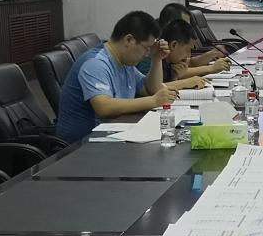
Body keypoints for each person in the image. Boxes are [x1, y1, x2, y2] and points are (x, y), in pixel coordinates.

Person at [56, 11, 177, 143]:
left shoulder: (125, 63)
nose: (147, 54)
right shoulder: (96, 63)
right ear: (129, 40)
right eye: (147, 48)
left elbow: (151, 89)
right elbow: (104, 107)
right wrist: (154, 101)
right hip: (82, 146)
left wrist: (157, 59)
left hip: (113, 135)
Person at [139, 2, 231, 80]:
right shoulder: (152, 47)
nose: (188, 28)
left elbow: (185, 65)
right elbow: (152, 86)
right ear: (173, 24)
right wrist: (211, 68)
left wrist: (211, 54)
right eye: (184, 24)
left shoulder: (170, 46)